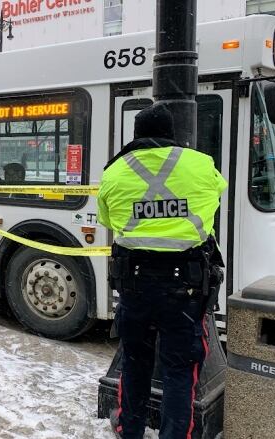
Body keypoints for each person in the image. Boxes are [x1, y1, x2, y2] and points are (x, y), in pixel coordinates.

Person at [97, 103, 227, 439]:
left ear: (137, 135)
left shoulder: (114, 172)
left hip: (135, 286)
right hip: (184, 289)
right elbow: (216, 195)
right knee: (179, 373)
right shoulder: (201, 164)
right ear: (172, 134)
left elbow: (109, 221)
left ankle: (131, 431)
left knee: (136, 366)